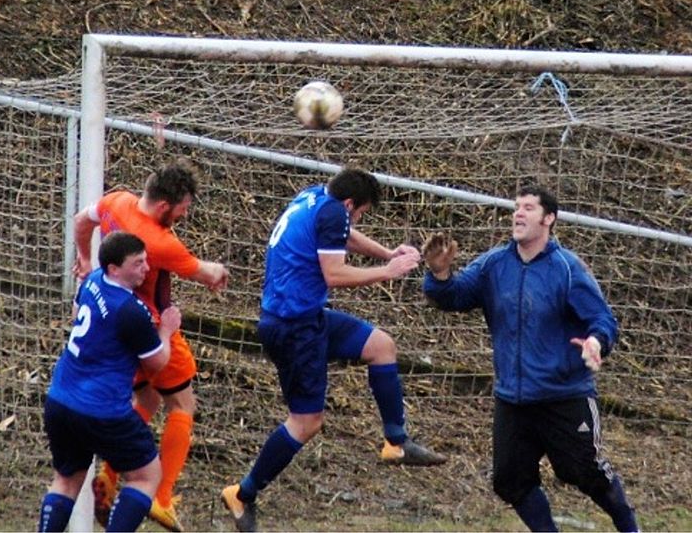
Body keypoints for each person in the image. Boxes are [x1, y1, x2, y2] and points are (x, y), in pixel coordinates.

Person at [220, 167, 447, 532]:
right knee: (306, 423)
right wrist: (387, 271)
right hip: (293, 330)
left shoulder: (314, 195)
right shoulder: (333, 210)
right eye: (360, 213)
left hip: (308, 318)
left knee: (381, 346)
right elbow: (335, 274)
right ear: (349, 203)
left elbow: (344, 235)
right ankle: (242, 494)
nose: (357, 219)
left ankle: (396, 442)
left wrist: (385, 252)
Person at [420, 185, 638, 532]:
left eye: (528, 208)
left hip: (564, 396)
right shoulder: (494, 264)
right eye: (516, 207)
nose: (518, 214)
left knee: (584, 472)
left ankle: (631, 527)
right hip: (513, 399)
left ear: (549, 219)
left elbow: (602, 319)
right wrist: (439, 274)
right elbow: (454, 296)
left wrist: (596, 342)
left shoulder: (567, 268)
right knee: (510, 480)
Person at [73, 158, 229, 531]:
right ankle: (161, 498)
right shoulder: (159, 241)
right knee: (183, 404)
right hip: (152, 330)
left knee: (146, 400)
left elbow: (81, 221)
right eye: (183, 209)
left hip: (116, 329)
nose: (184, 215)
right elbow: (207, 273)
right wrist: (219, 271)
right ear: (164, 206)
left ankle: (108, 479)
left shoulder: (117, 201)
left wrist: (83, 258)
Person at [38, 231, 182, 532]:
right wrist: (166, 331)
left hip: (60, 401)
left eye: (146, 261)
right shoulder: (131, 311)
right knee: (146, 476)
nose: (145, 269)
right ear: (115, 268)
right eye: (137, 263)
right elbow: (156, 363)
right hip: (102, 411)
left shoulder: (92, 281)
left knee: (66, 479)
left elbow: (77, 312)